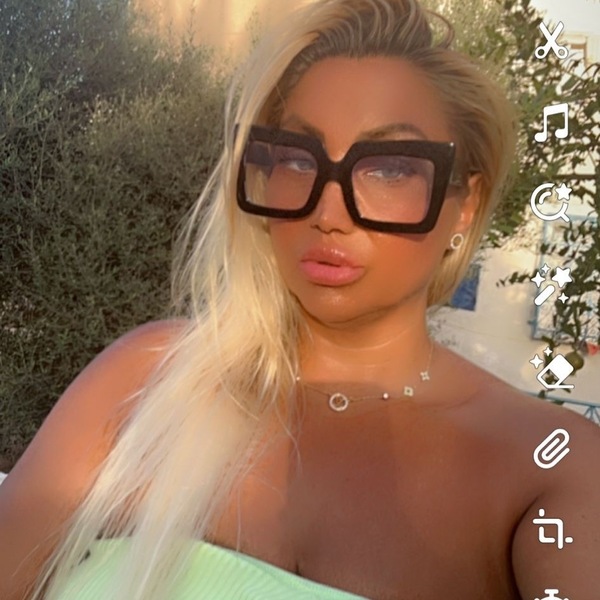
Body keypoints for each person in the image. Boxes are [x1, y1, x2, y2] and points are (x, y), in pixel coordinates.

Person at [1, 0, 599, 598]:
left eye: (390, 168)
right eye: (295, 158)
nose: (327, 211)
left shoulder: (548, 466)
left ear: (465, 204)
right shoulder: (145, 382)